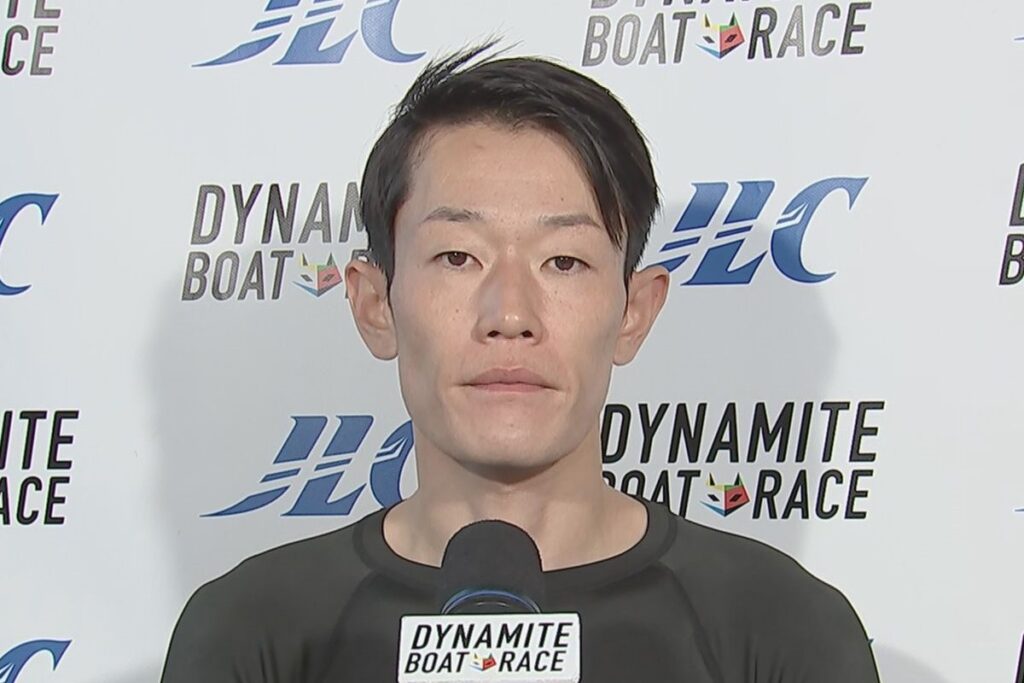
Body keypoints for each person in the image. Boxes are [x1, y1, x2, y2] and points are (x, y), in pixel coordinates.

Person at [161, 43, 880, 682]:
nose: (510, 314)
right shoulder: (253, 631)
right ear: (375, 304)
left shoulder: (780, 630)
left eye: (563, 261)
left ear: (634, 312)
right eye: (457, 257)